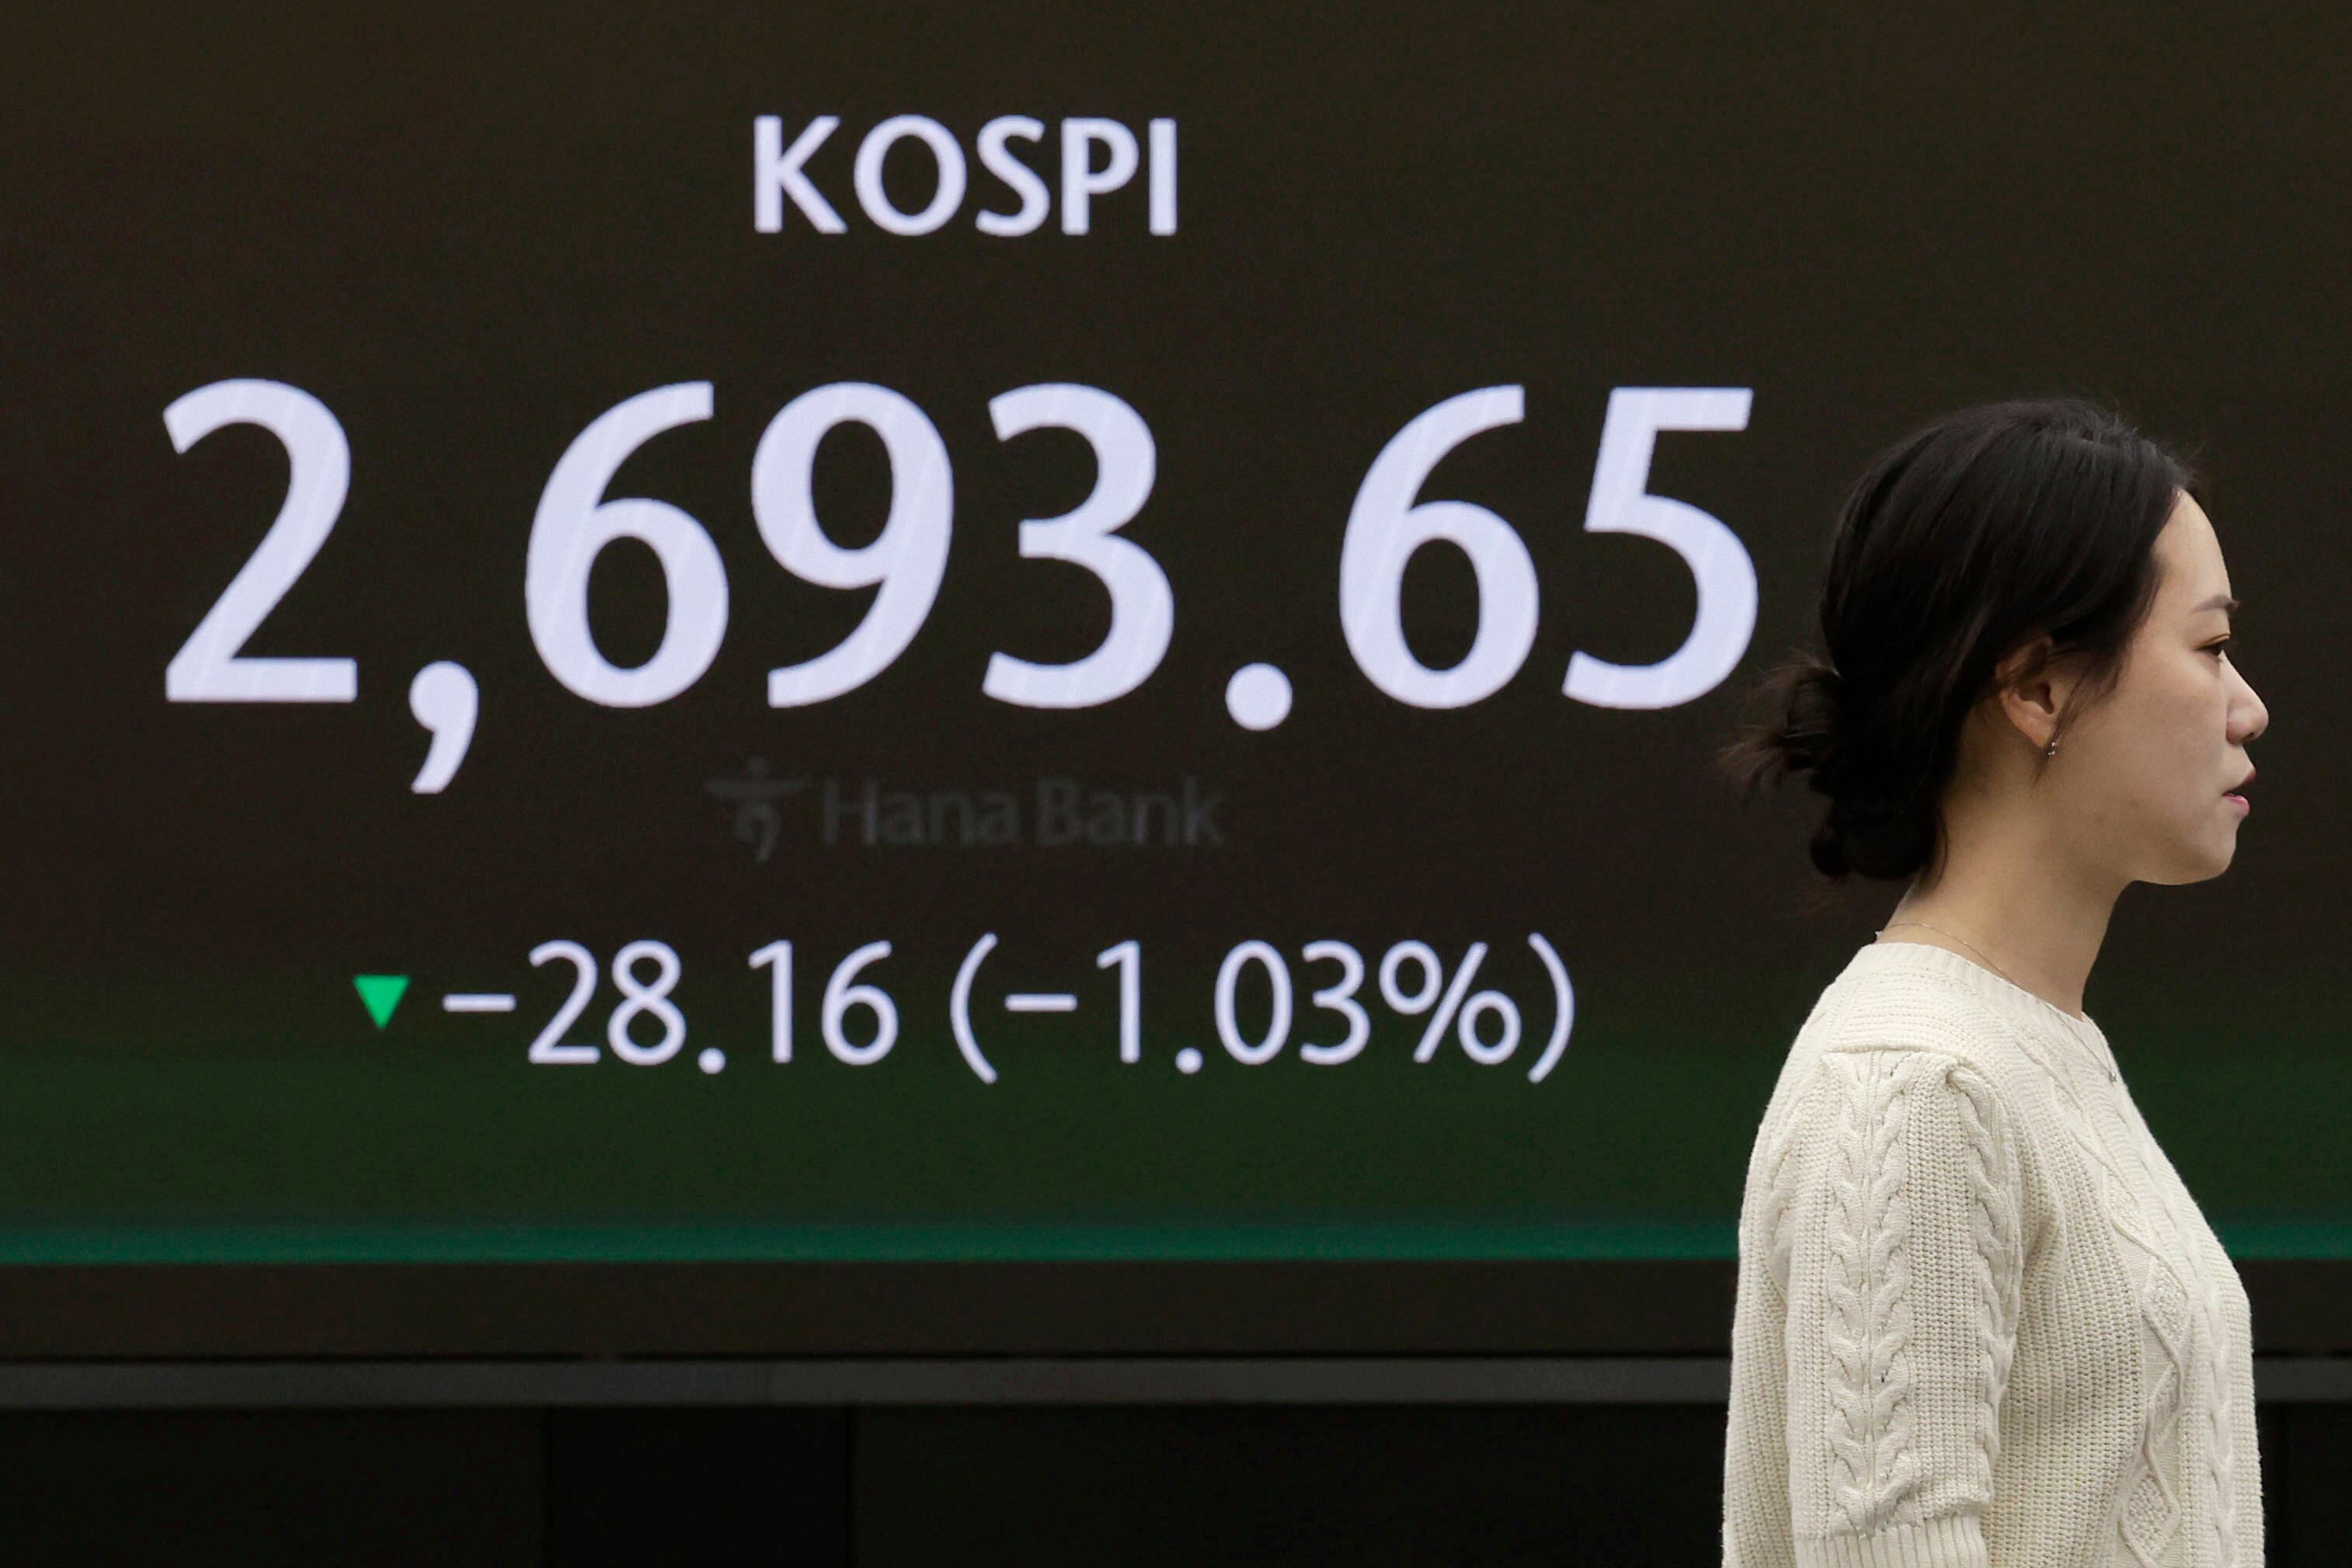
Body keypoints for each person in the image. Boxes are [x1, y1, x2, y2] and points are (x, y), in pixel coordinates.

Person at [1712, 397, 2270, 1566]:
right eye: (2210, 647)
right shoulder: (1916, 1084)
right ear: (2037, 687)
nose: (2249, 708)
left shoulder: (2023, 1048)